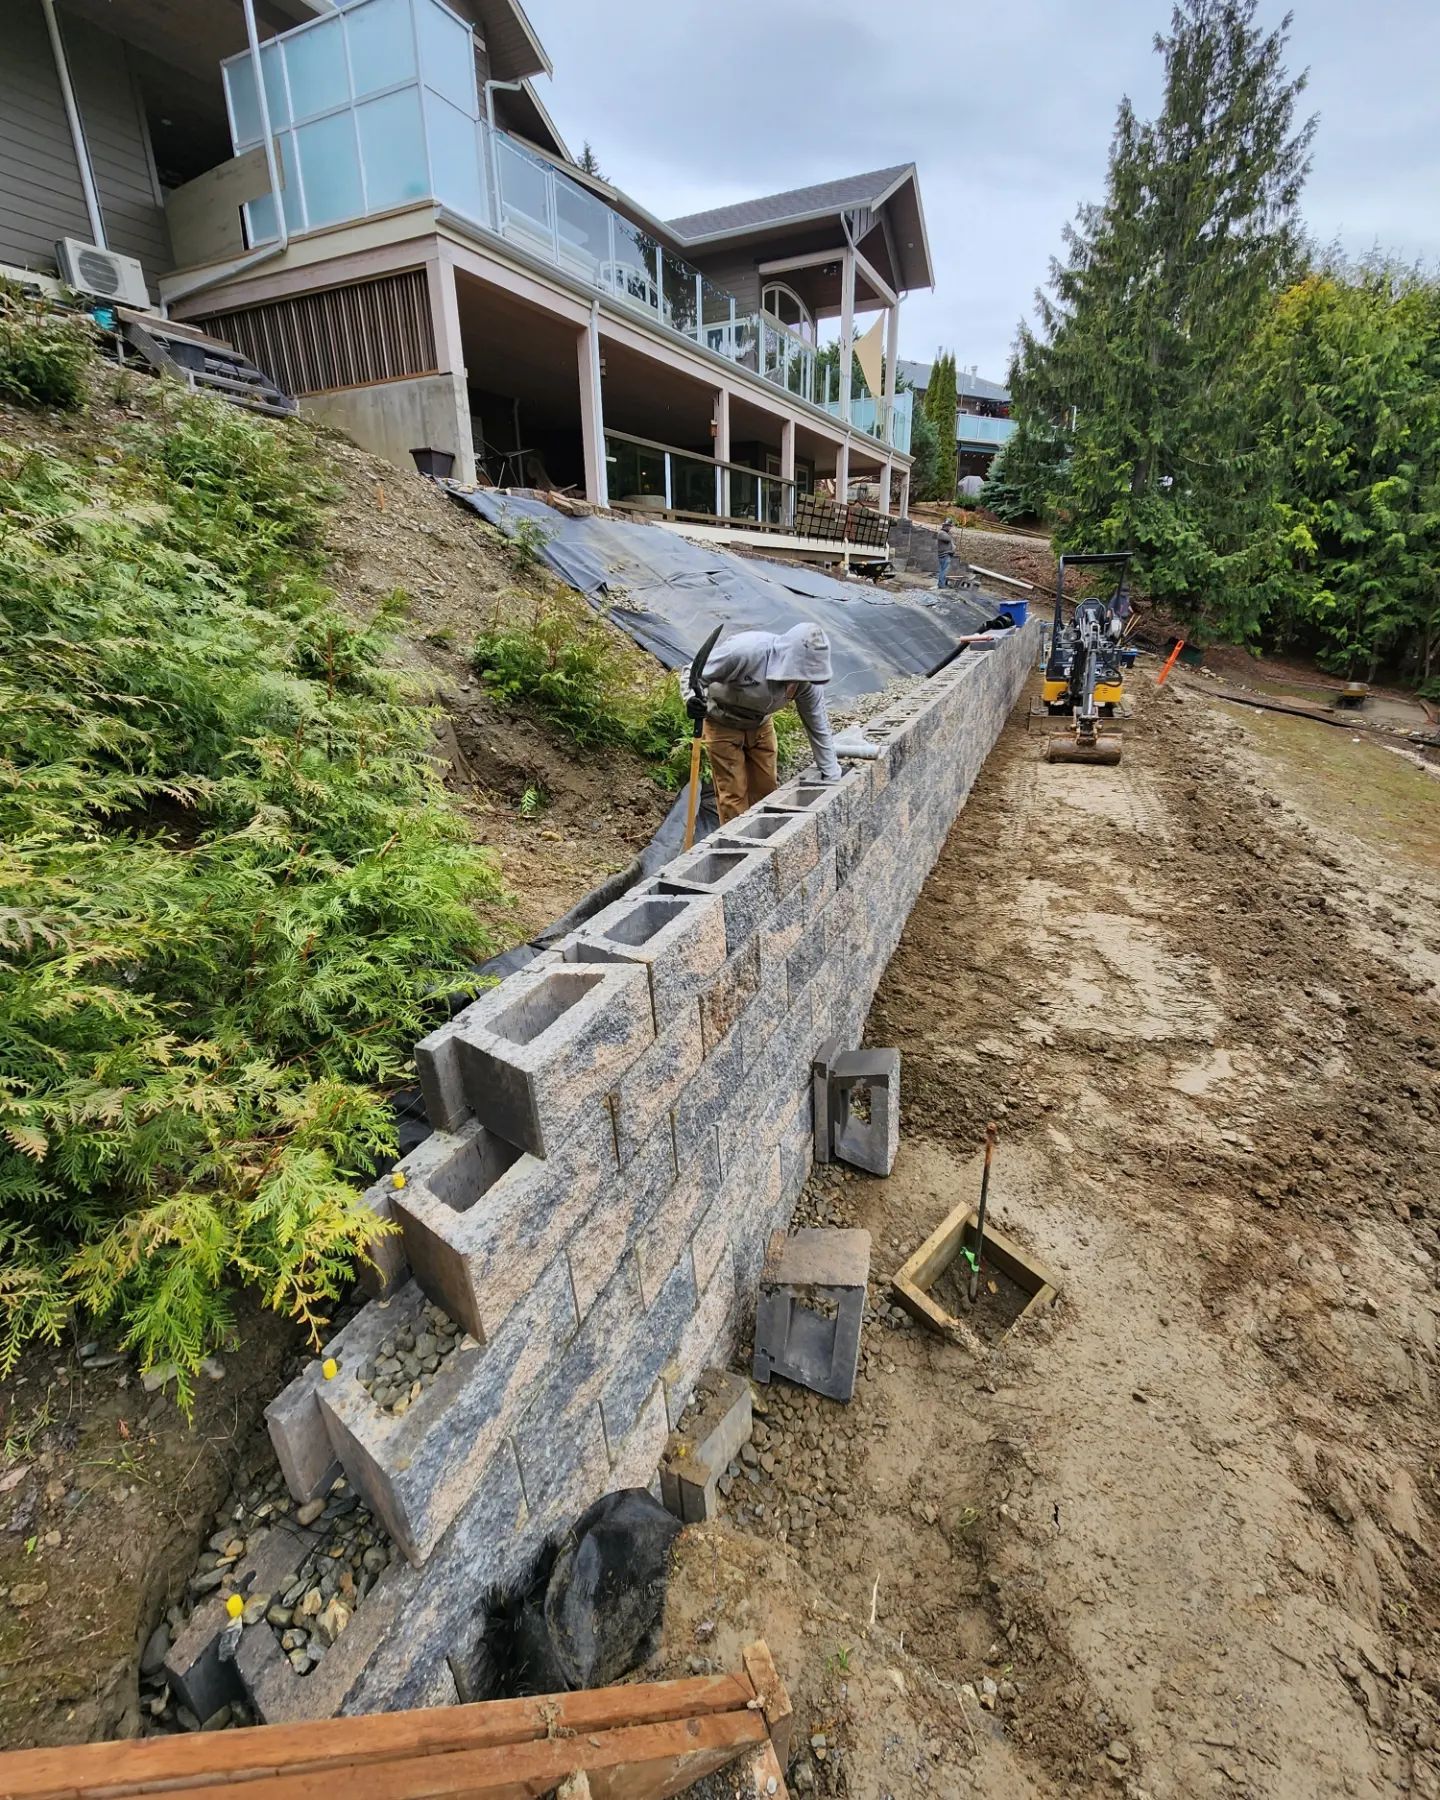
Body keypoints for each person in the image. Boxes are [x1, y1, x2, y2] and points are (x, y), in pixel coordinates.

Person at [697, 623, 841, 823]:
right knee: (733, 794)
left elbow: (818, 725)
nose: (799, 681)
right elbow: (694, 675)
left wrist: (832, 774)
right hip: (723, 723)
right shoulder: (744, 652)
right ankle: (737, 848)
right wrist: (692, 699)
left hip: (760, 725)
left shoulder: (807, 683)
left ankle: (766, 838)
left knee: (767, 790)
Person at [936, 517, 956, 590]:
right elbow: (949, 539)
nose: (950, 528)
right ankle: (941, 585)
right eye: (949, 526)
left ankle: (941, 584)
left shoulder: (944, 533)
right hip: (944, 555)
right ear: (945, 526)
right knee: (944, 570)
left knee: (943, 570)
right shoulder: (942, 533)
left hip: (946, 554)